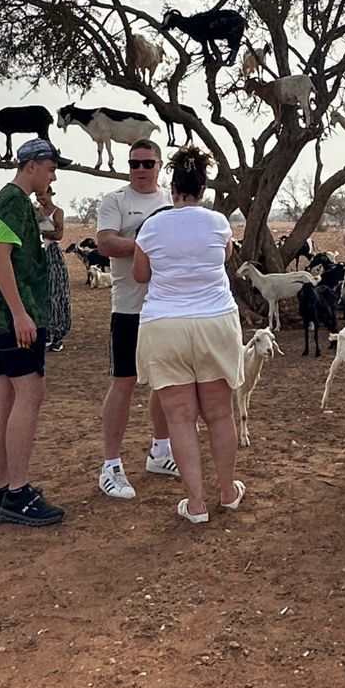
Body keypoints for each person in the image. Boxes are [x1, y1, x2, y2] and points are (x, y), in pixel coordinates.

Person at [133, 145, 244, 523]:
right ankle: (227, 491)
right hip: (215, 321)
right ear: (202, 187)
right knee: (219, 413)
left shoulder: (152, 225)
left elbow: (140, 275)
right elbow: (226, 256)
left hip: (165, 325)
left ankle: (195, 503)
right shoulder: (218, 222)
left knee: (179, 418)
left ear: (173, 185)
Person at [0, 138, 70, 526]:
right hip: (13, 317)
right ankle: (18, 492)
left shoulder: (16, 202)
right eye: (50, 167)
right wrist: (20, 313)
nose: (53, 173)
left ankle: (0, 488)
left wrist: (49, 206)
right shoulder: (15, 202)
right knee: (30, 393)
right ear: (31, 166)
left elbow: (56, 234)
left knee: (4, 393)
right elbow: (0, 255)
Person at [96, 141, 177, 500]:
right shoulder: (115, 201)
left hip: (165, 308)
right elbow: (105, 243)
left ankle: (161, 451)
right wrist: (148, 244)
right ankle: (110, 465)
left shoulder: (172, 203)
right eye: (134, 164)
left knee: (164, 382)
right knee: (124, 383)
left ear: (160, 166)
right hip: (128, 308)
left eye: (147, 163)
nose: (140, 169)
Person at [35, 185, 72, 352]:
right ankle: (46, 333)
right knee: (42, 294)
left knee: (56, 293)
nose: (39, 198)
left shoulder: (57, 212)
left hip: (52, 255)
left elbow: (58, 235)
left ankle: (58, 335)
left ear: (50, 193)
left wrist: (40, 231)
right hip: (38, 254)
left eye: (42, 194)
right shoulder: (36, 212)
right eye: (37, 195)